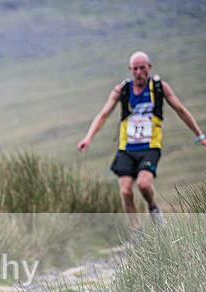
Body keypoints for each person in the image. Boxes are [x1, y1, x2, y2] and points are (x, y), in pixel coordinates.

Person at [77, 50, 206, 230]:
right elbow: (103, 114)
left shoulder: (159, 87)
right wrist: (88, 137)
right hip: (126, 148)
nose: (138, 73)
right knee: (125, 191)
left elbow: (181, 110)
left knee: (144, 184)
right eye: (135, 69)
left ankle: (153, 208)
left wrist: (200, 135)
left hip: (150, 146)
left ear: (149, 67)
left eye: (142, 68)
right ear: (130, 69)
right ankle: (137, 231)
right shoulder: (122, 90)